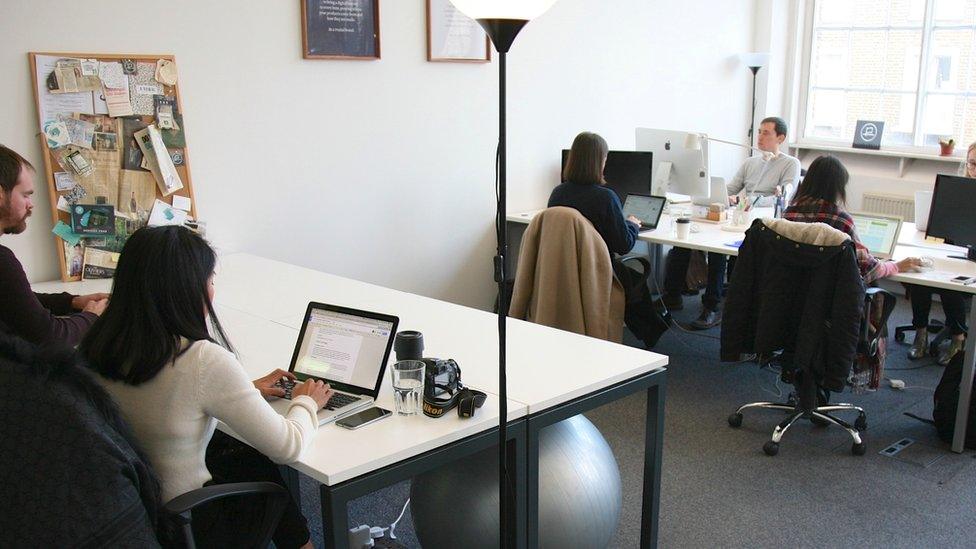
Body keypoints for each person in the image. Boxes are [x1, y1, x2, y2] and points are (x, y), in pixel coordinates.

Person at [81, 226, 334, 549]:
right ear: (188, 288)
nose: (213, 289)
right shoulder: (201, 358)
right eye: (211, 280)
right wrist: (305, 401)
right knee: (263, 469)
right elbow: (289, 446)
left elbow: (168, 401)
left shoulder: (97, 343)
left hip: (130, 510)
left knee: (245, 455)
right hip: (189, 523)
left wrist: (246, 389)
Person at [663, 117, 802, 330]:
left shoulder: (790, 163)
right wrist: (713, 196)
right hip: (739, 214)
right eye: (759, 132)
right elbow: (731, 188)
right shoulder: (751, 163)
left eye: (766, 133)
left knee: (717, 249)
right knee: (683, 241)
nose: (760, 137)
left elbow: (783, 198)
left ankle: (712, 305)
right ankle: (671, 296)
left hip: (761, 219)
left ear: (780, 138)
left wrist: (748, 200)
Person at [0, 145, 107, 346]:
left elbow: (16, 302)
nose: (30, 204)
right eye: (25, 195)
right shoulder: (2, 262)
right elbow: (51, 337)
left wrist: (72, 302)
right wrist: (91, 316)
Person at [783, 155, 921, 284]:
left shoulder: (788, 215)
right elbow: (866, 269)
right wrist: (895, 266)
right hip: (831, 298)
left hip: (791, 294)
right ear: (837, 188)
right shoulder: (842, 221)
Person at [904, 142, 976, 364]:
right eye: (972, 163)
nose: (975, 169)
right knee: (920, 275)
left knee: (950, 284)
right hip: (954, 252)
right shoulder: (955, 191)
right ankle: (921, 333)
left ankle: (958, 337)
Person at [548, 132, 640, 255]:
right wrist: (632, 224)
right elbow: (623, 246)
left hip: (565, 269)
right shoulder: (606, 198)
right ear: (601, 161)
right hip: (596, 269)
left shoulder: (557, 193)